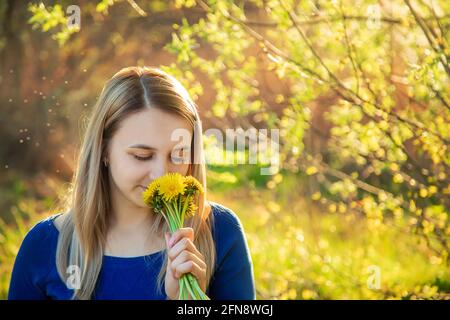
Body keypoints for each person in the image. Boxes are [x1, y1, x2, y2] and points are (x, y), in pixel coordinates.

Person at [8, 66, 255, 300]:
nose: (161, 174)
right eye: (142, 156)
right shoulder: (43, 246)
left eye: (178, 154)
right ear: (103, 150)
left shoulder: (220, 233)